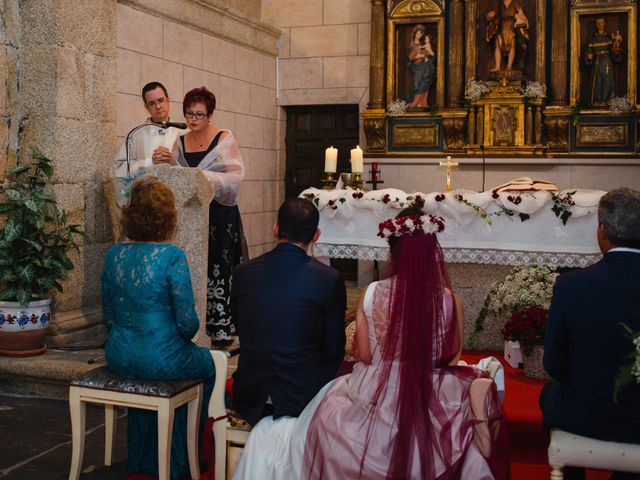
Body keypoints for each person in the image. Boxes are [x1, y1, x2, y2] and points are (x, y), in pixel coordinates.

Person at [234, 207, 507, 480]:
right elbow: (451, 358)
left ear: (393, 249)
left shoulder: (373, 292)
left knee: (333, 418)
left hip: (376, 389)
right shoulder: (450, 299)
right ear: (432, 250)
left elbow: (364, 354)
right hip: (431, 388)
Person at [101, 176, 215, 480]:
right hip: (161, 355)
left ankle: (142, 457)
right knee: (208, 365)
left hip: (118, 354)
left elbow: (108, 315)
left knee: (147, 369)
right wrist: (171, 339)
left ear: (130, 215)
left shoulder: (113, 255)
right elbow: (188, 324)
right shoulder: (172, 256)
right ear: (167, 218)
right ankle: (188, 457)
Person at [540, 187, 640, 480]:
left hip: (588, 414)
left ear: (602, 230)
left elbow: (554, 363)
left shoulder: (572, 286)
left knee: (550, 394)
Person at [231, 198, 346, 427]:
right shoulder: (329, 279)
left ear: (275, 228)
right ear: (316, 235)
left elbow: (242, 327)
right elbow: (334, 349)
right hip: (303, 396)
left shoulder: (243, 272)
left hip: (251, 392)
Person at [168, 86, 247, 346]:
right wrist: (164, 162)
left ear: (210, 114)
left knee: (219, 266)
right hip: (192, 215)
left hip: (220, 214)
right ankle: (192, 322)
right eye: (189, 114)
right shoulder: (179, 141)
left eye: (199, 115)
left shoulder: (224, 138)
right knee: (191, 264)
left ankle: (221, 325)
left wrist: (205, 179)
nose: (193, 119)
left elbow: (235, 177)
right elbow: (177, 177)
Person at [110, 81, 186, 208]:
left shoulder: (183, 133)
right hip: (145, 205)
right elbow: (117, 171)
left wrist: (173, 159)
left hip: (176, 203)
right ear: (146, 107)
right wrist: (150, 162)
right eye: (152, 103)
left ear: (168, 100)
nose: (158, 106)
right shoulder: (135, 135)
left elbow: (195, 169)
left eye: (161, 100)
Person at [584, 17, 622, 107]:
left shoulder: (609, 39)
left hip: (606, 62)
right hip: (596, 63)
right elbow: (589, 53)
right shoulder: (592, 40)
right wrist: (589, 58)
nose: (600, 24)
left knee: (607, 81)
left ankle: (607, 101)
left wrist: (616, 52)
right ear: (595, 25)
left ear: (605, 23)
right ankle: (597, 101)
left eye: (601, 22)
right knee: (597, 82)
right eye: (598, 23)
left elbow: (615, 55)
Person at [486, 0, 529, 73]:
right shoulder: (499, 4)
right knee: (498, 45)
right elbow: (491, 15)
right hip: (500, 26)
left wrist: (520, 17)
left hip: (511, 27)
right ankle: (497, 66)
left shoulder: (515, 3)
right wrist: (489, 16)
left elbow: (521, 15)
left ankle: (509, 66)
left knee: (512, 46)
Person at [406, 24, 436, 108]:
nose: (420, 36)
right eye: (418, 34)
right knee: (417, 84)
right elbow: (411, 57)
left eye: (421, 34)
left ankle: (423, 103)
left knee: (425, 83)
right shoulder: (412, 45)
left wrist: (427, 56)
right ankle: (414, 103)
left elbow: (430, 54)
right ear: (415, 33)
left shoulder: (422, 43)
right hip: (417, 68)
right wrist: (423, 56)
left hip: (424, 67)